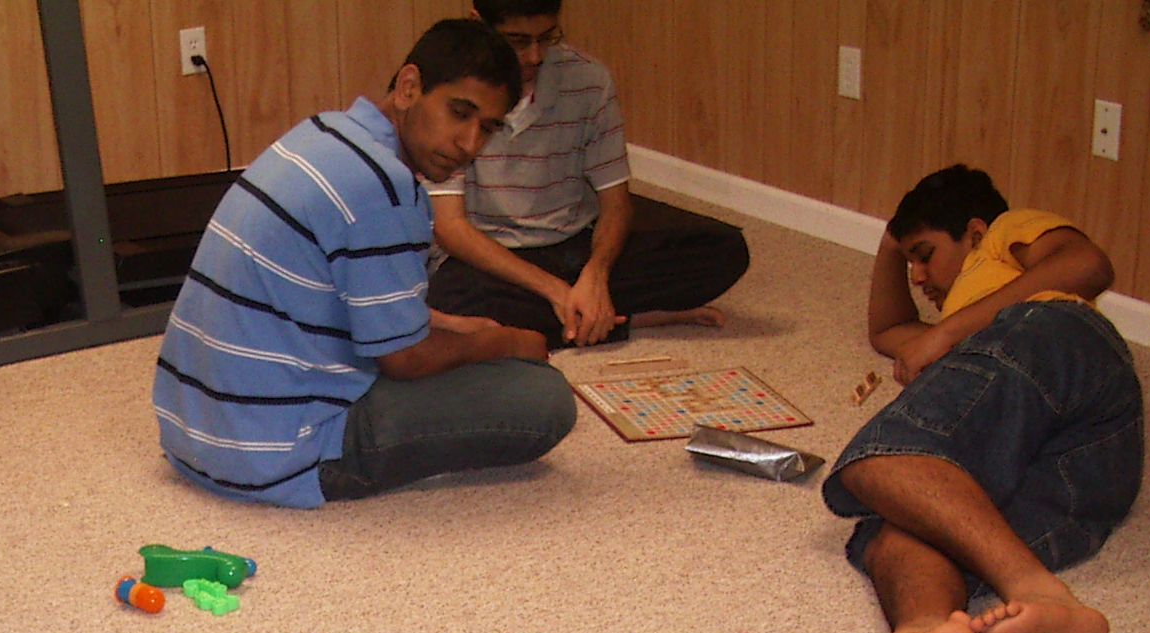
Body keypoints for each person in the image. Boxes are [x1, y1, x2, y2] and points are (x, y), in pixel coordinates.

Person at [153, 18, 575, 507]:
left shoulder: (322, 134)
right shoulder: (383, 188)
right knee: (544, 399)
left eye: (488, 128)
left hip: (194, 434)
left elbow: (353, 299)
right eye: (459, 113)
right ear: (409, 86)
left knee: (469, 346)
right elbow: (405, 359)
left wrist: (458, 328)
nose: (469, 144)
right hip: (273, 455)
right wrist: (506, 342)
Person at [825, 165, 1142, 633]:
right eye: (910, 262)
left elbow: (1088, 264)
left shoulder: (1003, 238)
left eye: (925, 255)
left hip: (1059, 344)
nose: (918, 276)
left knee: (880, 462)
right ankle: (923, 630)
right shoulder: (954, 323)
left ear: (973, 233)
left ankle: (1039, 591)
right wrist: (892, 244)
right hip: (1086, 472)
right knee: (906, 527)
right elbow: (888, 329)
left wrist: (947, 336)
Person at [425, 1, 750, 349]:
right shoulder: (454, 88)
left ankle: (575, 314)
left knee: (725, 251)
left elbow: (616, 203)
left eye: (546, 38)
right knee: (451, 300)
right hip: (491, 255)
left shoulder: (589, 79)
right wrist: (554, 290)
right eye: (517, 41)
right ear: (478, 23)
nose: (534, 56)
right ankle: (621, 318)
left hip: (573, 245)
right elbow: (450, 228)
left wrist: (596, 275)